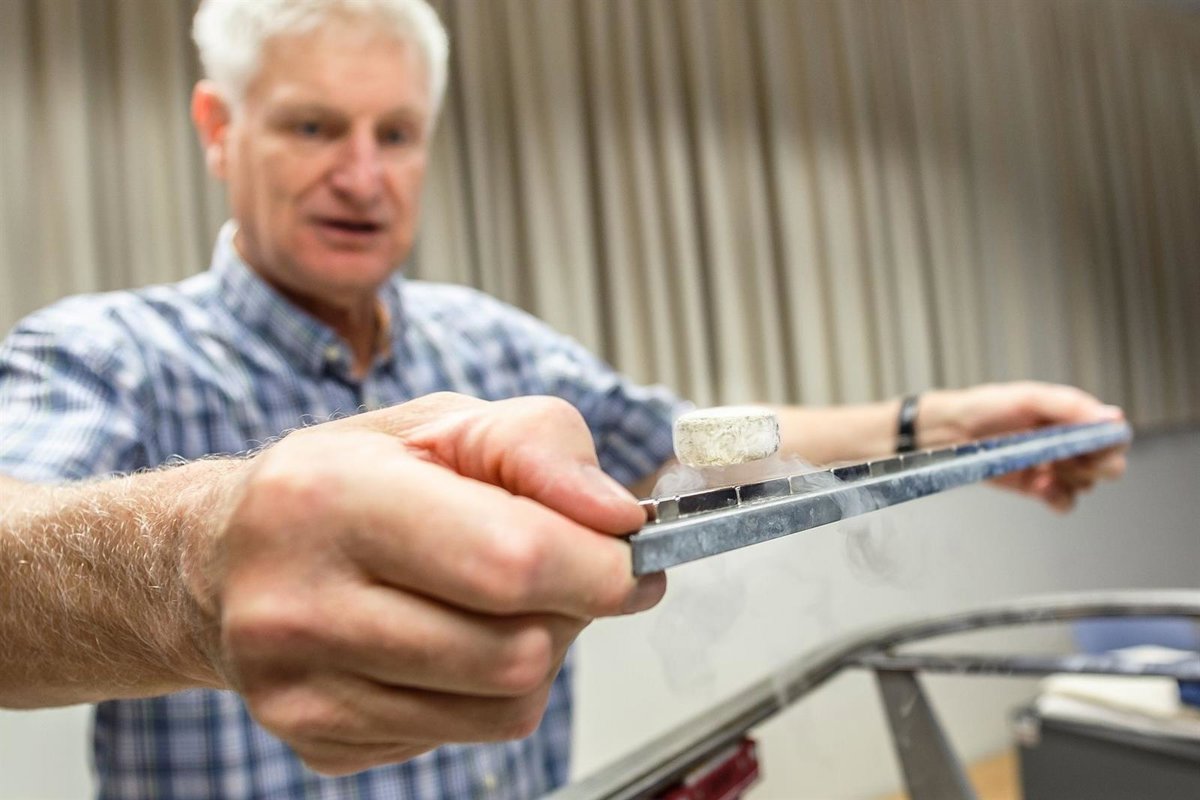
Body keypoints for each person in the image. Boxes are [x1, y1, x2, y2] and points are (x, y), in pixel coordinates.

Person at [0, 0, 1125, 797]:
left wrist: (936, 423)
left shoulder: (491, 340)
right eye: (312, 126)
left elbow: (691, 442)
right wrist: (195, 559)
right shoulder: (102, 350)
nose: (363, 175)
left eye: (396, 134)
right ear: (217, 129)